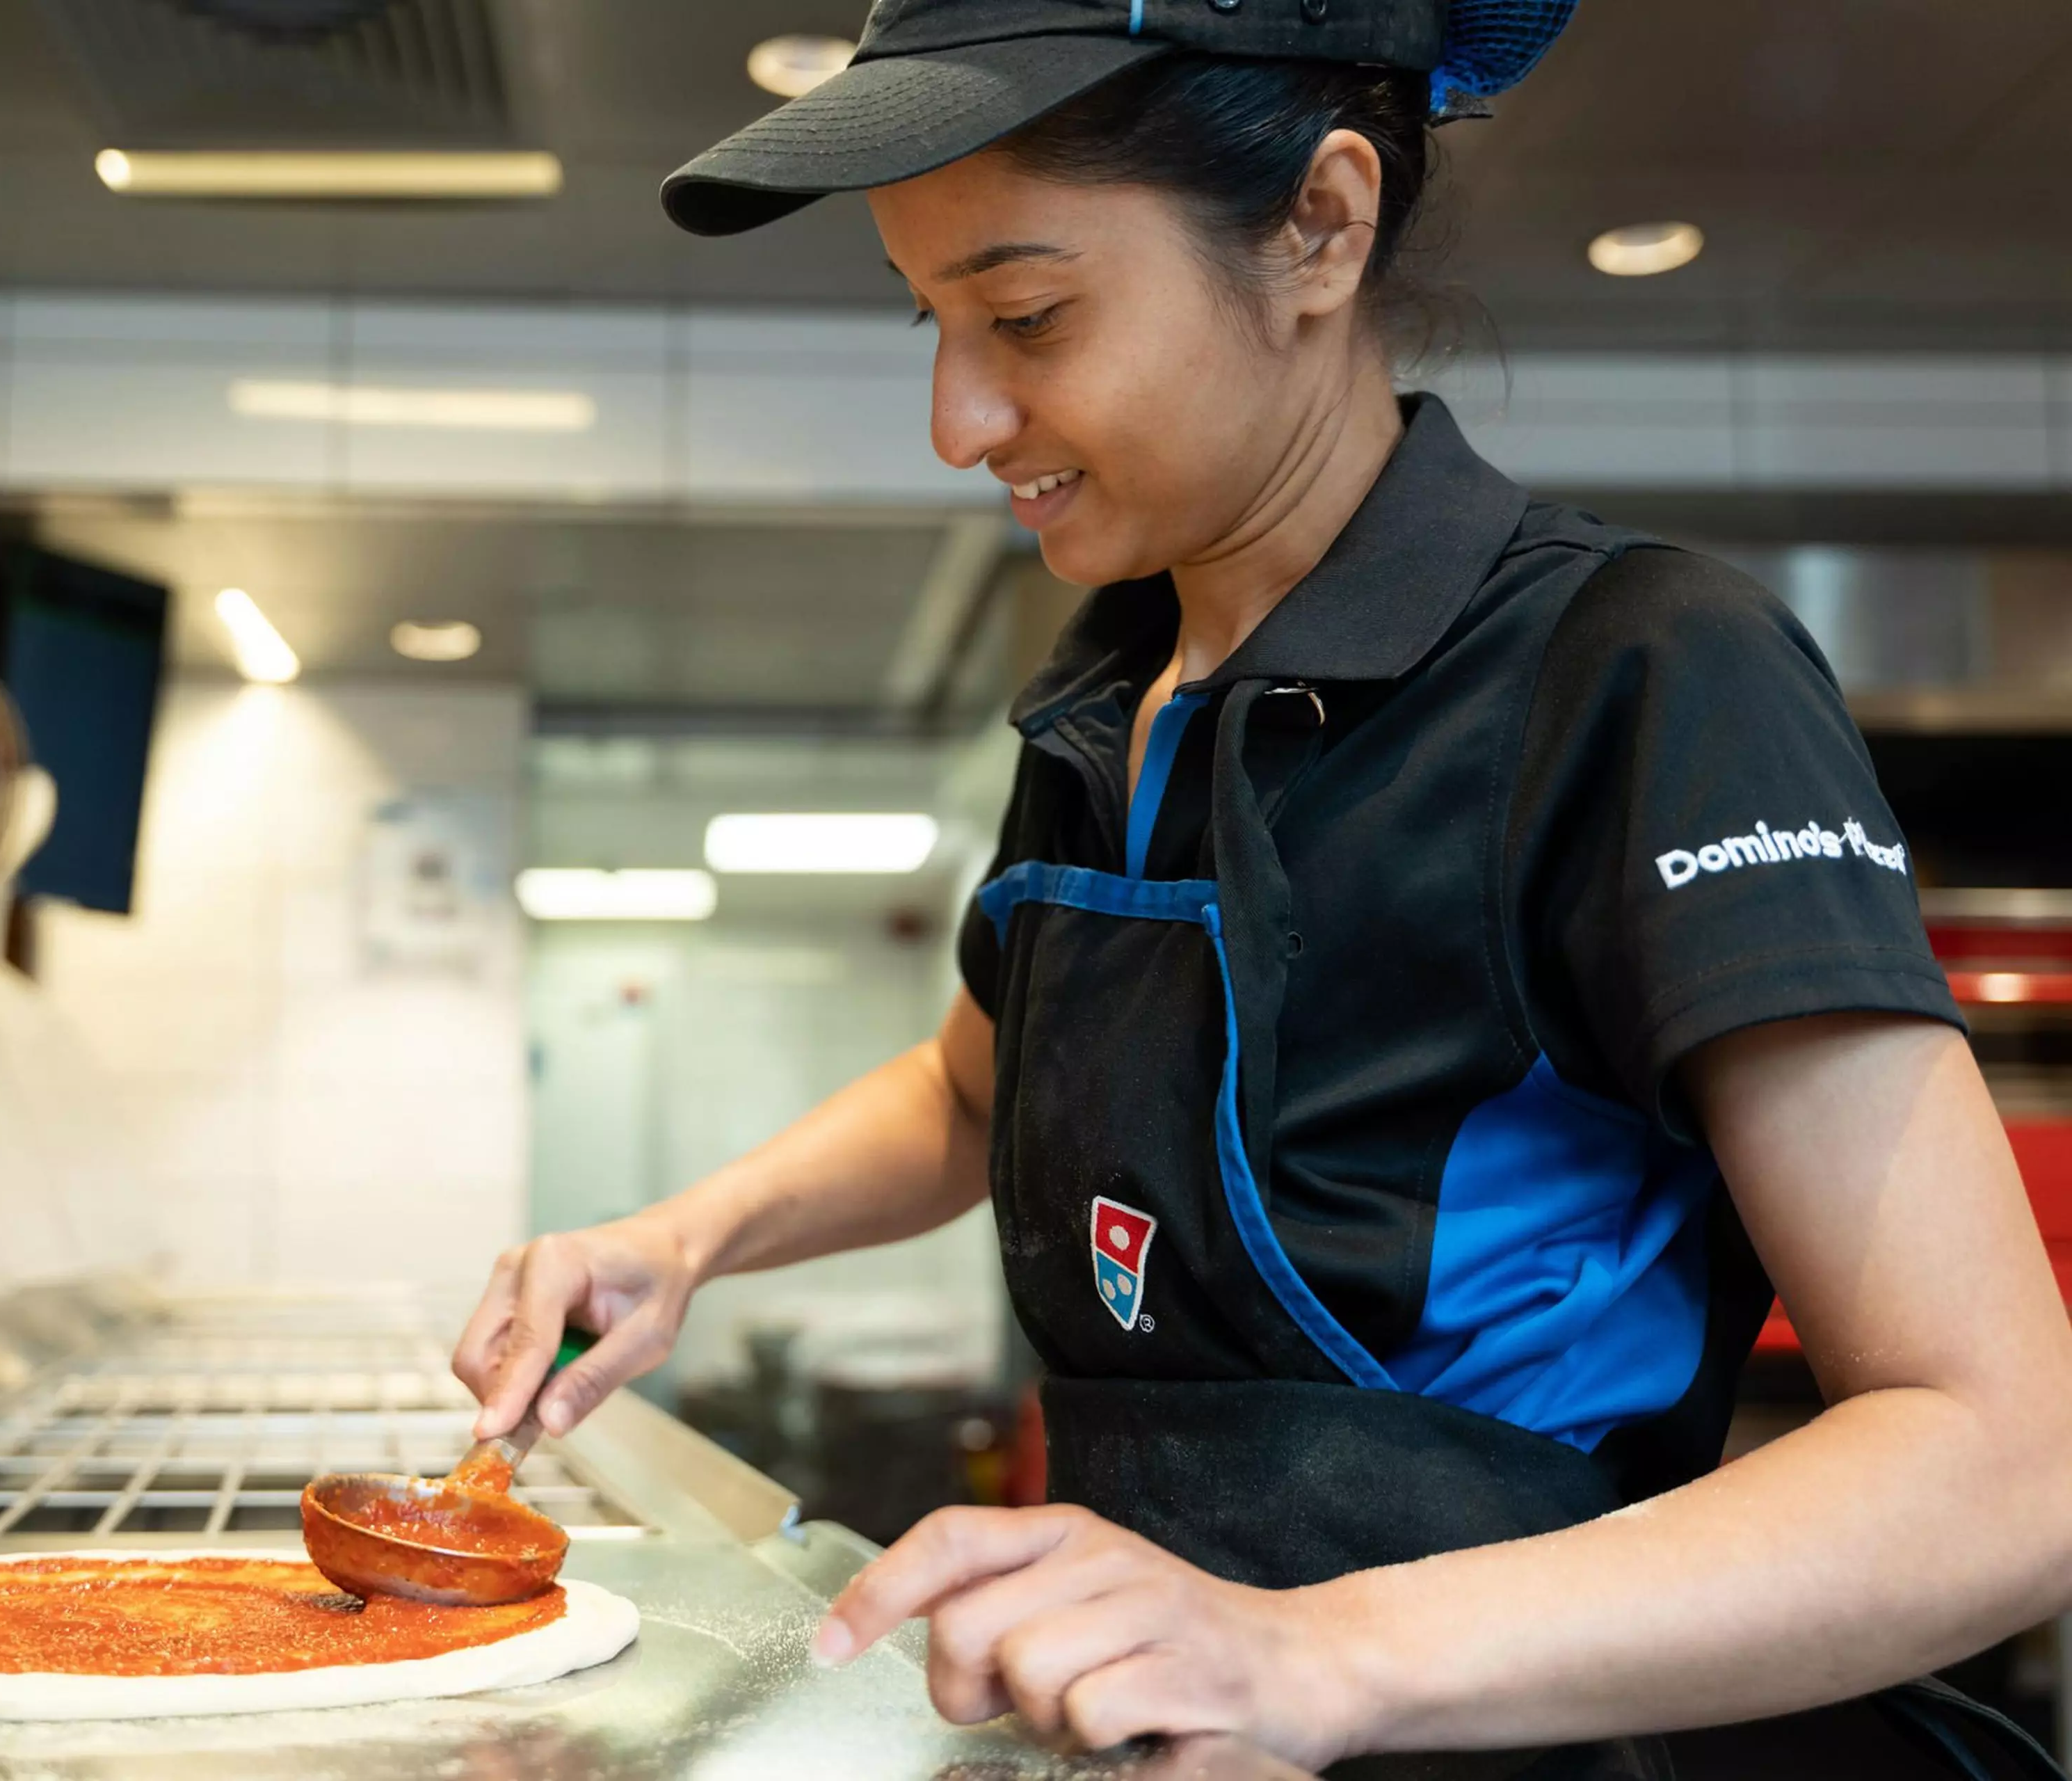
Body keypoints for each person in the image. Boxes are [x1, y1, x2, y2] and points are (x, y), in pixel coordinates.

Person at [453, 3, 2072, 1774]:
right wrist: (688, 1239)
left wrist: (1318, 1652)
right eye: (933, 322)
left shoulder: (1641, 675)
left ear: (1320, 224)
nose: (956, 417)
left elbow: (2002, 1455)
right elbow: (970, 1083)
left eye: (1028, 315)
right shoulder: (1107, 691)